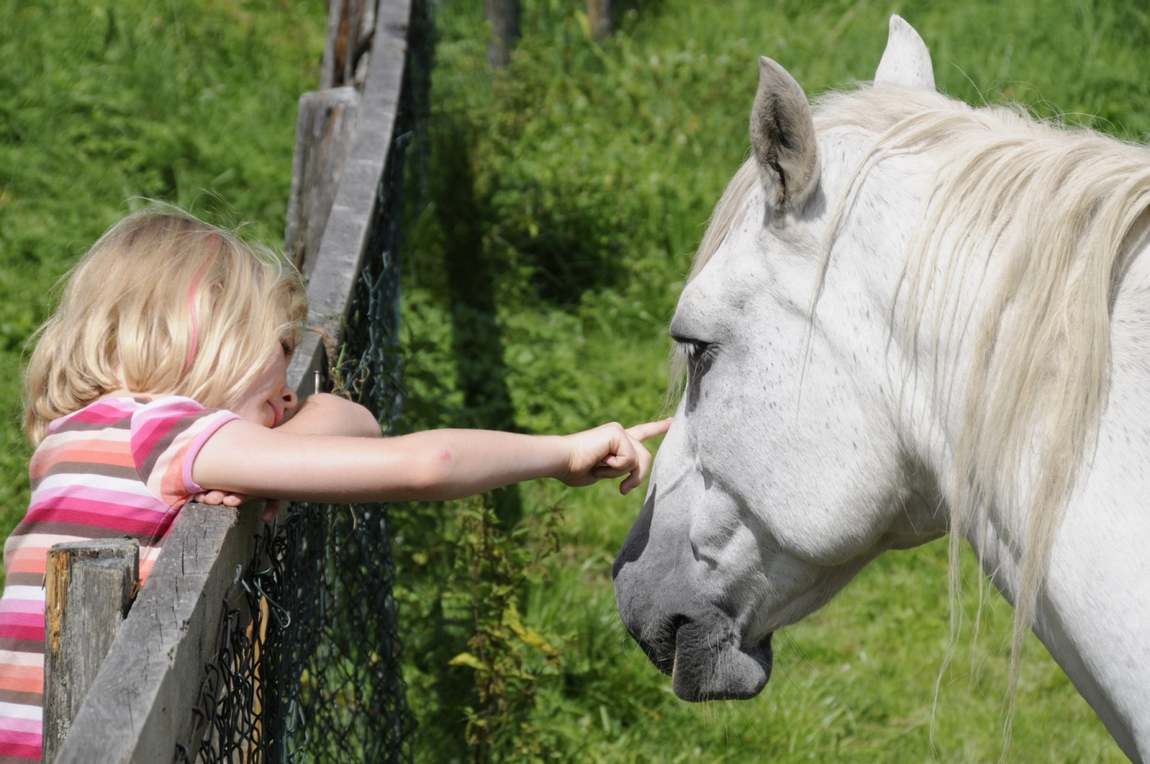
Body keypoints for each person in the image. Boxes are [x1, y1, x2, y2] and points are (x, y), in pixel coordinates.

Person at [1, 207, 669, 761]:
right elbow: (419, 464)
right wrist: (561, 452)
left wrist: (270, 453)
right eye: (283, 351)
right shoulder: (168, 433)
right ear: (209, 336)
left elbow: (353, 422)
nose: (288, 395)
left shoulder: (76, 435)